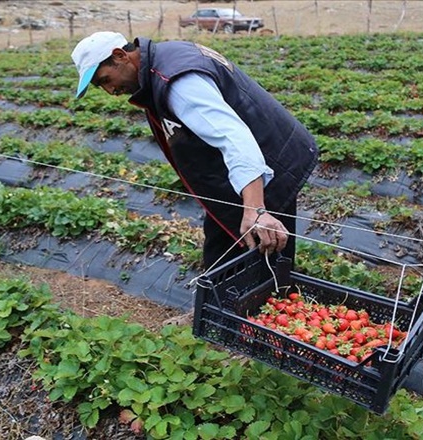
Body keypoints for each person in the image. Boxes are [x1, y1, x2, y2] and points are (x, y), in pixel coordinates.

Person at [72, 32, 319, 322]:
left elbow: (234, 137)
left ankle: (266, 322)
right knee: (221, 241)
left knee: (265, 242)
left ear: (120, 56)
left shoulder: (176, 81)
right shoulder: (163, 60)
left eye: (105, 79)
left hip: (268, 161)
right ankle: (214, 314)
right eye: (100, 86)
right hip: (239, 169)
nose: (109, 90)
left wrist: (256, 208)